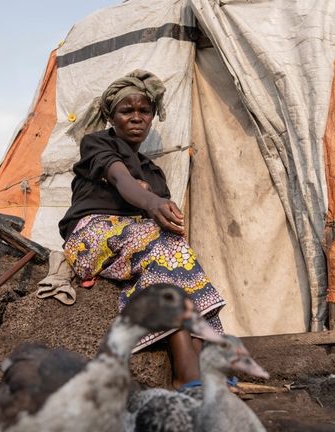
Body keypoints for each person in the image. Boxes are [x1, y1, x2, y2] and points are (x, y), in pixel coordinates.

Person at [59, 70, 226, 389]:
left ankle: (203, 366)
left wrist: (162, 211)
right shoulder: (97, 144)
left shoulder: (153, 170)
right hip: (90, 237)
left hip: (138, 245)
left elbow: (158, 217)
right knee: (161, 244)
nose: (136, 118)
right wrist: (150, 202)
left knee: (178, 253)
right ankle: (186, 371)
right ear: (110, 115)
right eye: (127, 111)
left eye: (144, 111)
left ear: (152, 116)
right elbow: (121, 179)